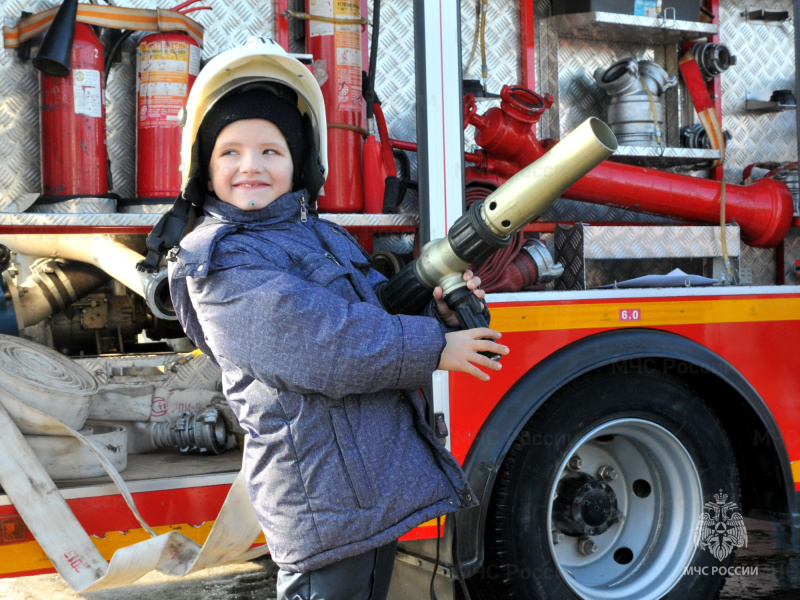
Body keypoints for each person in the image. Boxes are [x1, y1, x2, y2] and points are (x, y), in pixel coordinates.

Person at [166, 39, 509, 600]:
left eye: (270, 151)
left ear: (299, 161)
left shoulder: (322, 236)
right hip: (321, 506)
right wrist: (433, 348)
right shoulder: (223, 261)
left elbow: (371, 308)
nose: (251, 165)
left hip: (363, 494)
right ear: (203, 165)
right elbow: (321, 343)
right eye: (230, 152)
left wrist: (435, 311)